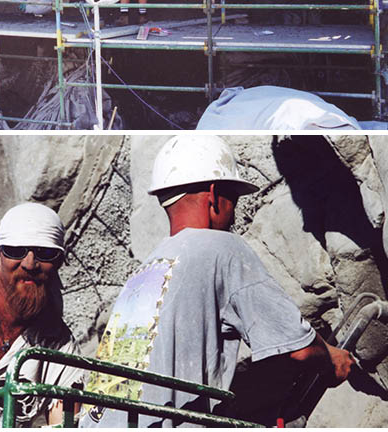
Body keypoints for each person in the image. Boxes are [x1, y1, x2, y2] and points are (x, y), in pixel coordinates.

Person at [80, 135, 354, 428]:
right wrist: (331, 359)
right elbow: (299, 350)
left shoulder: (143, 273)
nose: (233, 211)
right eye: (233, 199)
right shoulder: (223, 248)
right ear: (213, 195)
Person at [0, 203, 84, 427]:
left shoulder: (61, 350)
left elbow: (63, 424)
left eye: (45, 253)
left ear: (58, 262)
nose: (29, 263)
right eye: (16, 251)